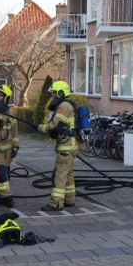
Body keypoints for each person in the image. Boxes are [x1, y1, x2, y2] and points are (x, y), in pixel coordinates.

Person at [36, 81, 77, 211]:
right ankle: (69, 200)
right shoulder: (68, 104)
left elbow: (54, 125)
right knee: (68, 174)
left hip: (66, 146)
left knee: (59, 174)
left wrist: (39, 127)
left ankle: (55, 203)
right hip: (71, 145)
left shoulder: (63, 105)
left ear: (60, 92)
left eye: (54, 92)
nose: (52, 95)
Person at [0, 84, 18, 208]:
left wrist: (15, 146)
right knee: (1, 172)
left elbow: (14, 130)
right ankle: (7, 197)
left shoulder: (10, 111)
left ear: (6, 97)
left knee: (5, 172)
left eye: (0, 95)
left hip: (7, 147)